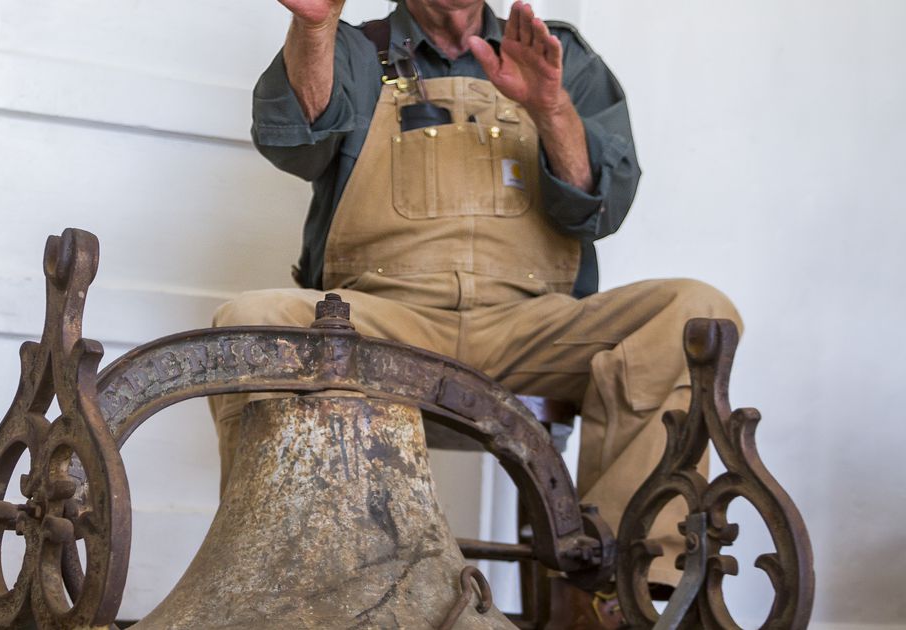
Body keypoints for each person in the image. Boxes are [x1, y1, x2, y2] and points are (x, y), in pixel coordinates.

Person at [210, 0, 741, 625]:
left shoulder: (558, 54)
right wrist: (316, 26)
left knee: (693, 313)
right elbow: (293, 145)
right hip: (385, 323)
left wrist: (549, 106)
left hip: (534, 327)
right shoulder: (358, 48)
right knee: (251, 321)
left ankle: (626, 595)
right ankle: (289, 595)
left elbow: (600, 207)